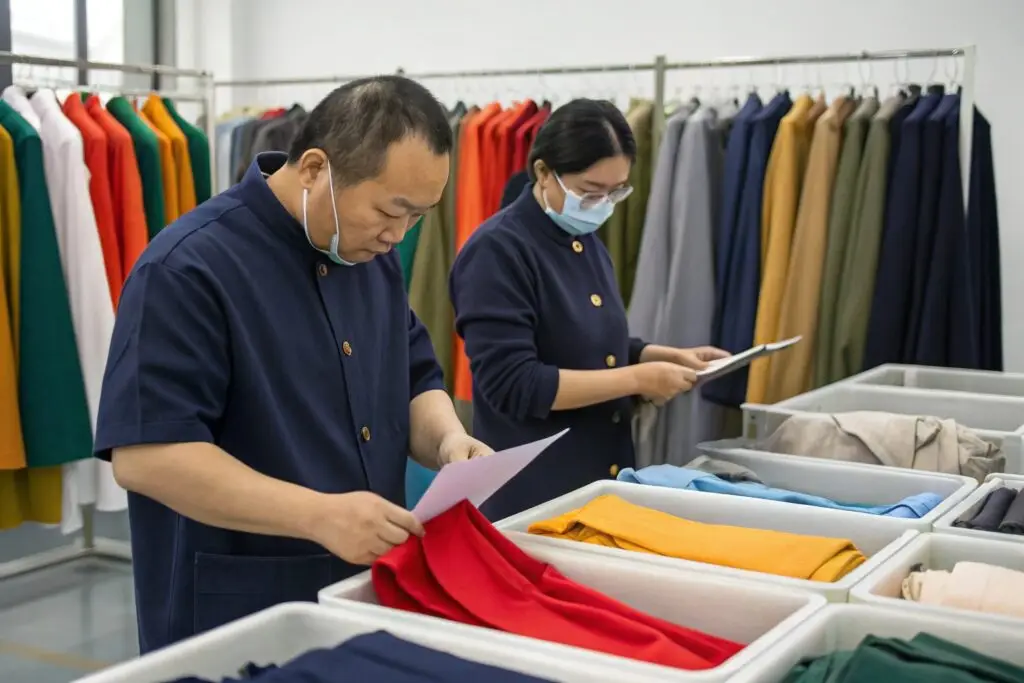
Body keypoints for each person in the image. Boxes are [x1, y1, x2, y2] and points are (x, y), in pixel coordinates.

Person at [94, 76, 493, 654]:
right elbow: (148, 457)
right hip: (238, 610)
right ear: (313, 169)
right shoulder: (188, 270)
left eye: (419, 217)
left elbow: (412, 375)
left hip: (363, 592)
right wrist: (318, 516)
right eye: (390, 210)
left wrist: (450, 444)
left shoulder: (367, 254)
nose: (399, 235)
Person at [449, 99, 728, 521]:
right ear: (543, 172)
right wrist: (637, 378)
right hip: (534, 492)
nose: (602, 205)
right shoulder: (498, 250)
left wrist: (656, 355)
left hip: (597, 477)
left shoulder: (582, 239)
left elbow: (585, 341)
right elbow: (514, 383)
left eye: (616, 191)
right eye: (590, 191)